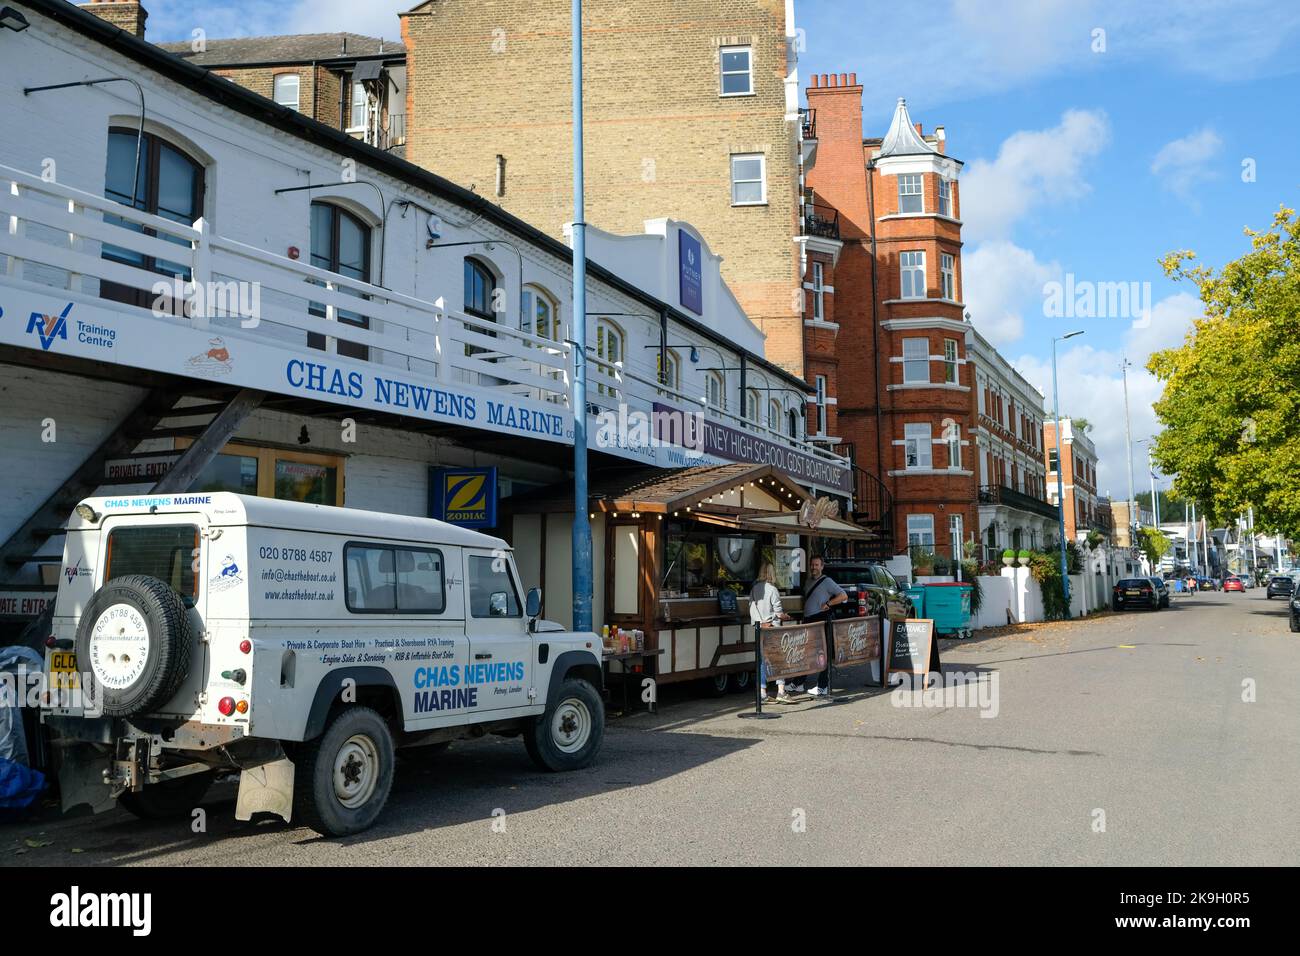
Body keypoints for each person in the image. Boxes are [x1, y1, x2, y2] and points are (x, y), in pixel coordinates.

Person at [799, 555, 848, 697]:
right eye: (812, 565)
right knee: (808, 653)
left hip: (822, 619)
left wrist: (828, 604)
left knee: (823, 653)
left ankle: (823, 686)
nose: (814, 567)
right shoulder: (808, 581)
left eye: (817, 565)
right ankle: (798, 683)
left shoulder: (827, 582)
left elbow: (843, 595)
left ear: (822, 566)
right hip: (809, 620)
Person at [749, 562, 791, 702]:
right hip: (773, 628)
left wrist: (760, 623)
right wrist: (785, 616)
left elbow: (752, 608)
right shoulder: (773, 590)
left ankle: (762, 692)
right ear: (772, 573)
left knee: (762, 661)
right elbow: (778, 612)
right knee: (779, 659)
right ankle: (781, 691)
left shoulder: (754, 589)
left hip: (760, 628)